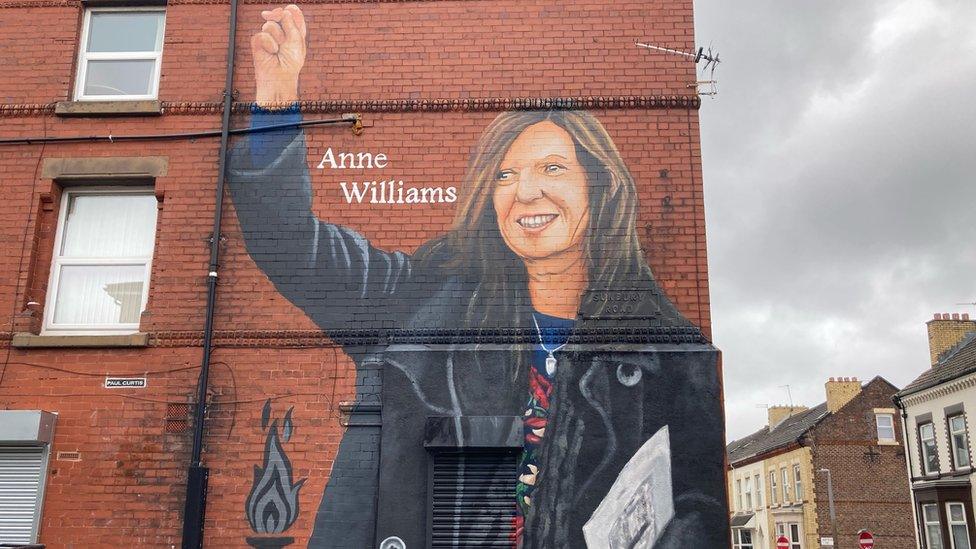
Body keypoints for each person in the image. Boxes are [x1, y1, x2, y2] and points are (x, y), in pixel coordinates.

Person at [229, 5, 728, 548]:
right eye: (506, 175)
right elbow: (295, 247)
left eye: (552, 168)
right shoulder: (421, 302)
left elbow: (700, 503)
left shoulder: (668, 355)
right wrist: (276, 101)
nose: (526, 191)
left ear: (599, 185)